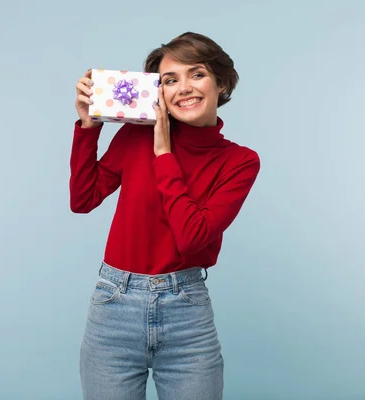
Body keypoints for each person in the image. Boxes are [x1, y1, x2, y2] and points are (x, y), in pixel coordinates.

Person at [70, 32, 260, 400]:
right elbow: (84, 198)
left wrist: (163, 152)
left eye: (197, 74)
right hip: (114, 307)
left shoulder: (239, 161)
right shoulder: (133, 136)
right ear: (159, 92)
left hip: (186, 313)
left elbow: (191, 236)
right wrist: (88, 128)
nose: (184, 88)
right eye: (170, 80)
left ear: (221, 83)